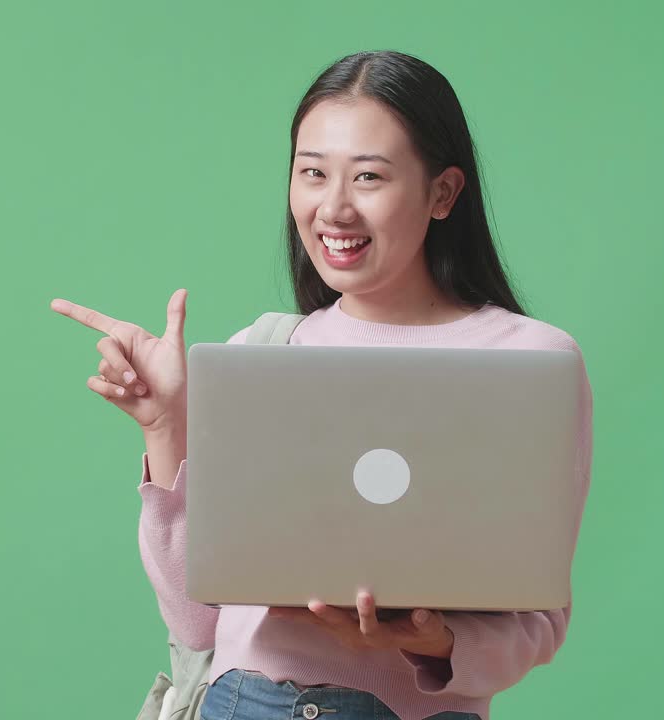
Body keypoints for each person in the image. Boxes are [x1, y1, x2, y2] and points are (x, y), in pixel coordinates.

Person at [51, 50, 594, 720]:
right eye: (312, 173)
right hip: (246, 704)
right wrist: (164, 427)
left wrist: (434, 640)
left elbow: (539, 619)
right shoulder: (264, 352)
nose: (333, 208)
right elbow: (196, 625)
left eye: (369, 177)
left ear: (444, 192)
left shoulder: (530, 363)